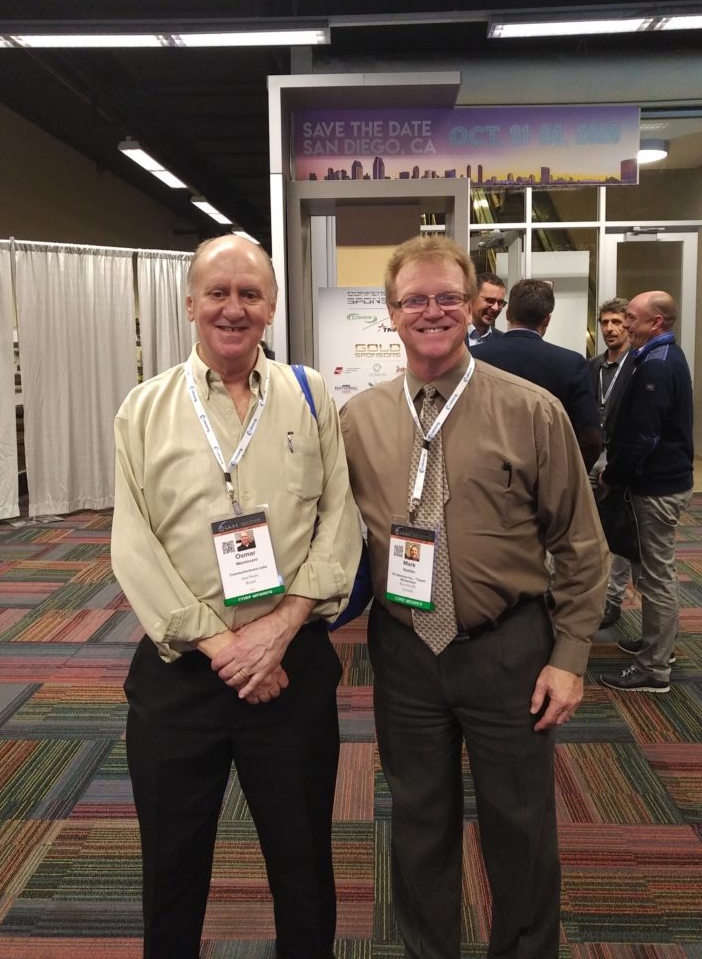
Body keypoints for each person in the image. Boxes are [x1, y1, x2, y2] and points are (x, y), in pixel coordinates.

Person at [340, 234, 607, 959]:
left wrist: (571, 657)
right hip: (405, 650)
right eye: (415, 299)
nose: (432, 311)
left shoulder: (532, 411)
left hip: (510, 650)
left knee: (519, 828)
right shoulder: (357, 421)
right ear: (391, 314)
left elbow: (582, 546)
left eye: (448, 297)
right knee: (418, 824)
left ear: (474, 308)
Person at [111, 234, 362, 959]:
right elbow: (133, 546)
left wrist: (278, 632)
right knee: (172, 868)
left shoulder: (310, 396)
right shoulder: (144, 409)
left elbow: (338, 524)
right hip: (182, 675)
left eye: (250, 294)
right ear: (189, 302)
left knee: (304, 865)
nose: (233, 308)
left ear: (273, 306)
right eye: (217, 292)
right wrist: (226, 646)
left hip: (291, 669)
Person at [599, 290, 693, 694]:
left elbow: (644, 435)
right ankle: (660, 645)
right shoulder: (662, 356)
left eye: (633, 318)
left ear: (656, 322)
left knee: (657, 575)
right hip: (663, 483)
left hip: (657, 488)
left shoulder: (657, 365)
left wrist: (614, 475)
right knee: (653, 570)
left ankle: (655, 669)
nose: (625, 324)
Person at [479, 278, 603, 471]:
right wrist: (567, 478)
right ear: (547, 319)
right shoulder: (571, 364)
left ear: (508, 314)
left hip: (487, 478)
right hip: (548, 478)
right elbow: (591, 438)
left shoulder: (475, 359)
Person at [588, 298, 635, 628]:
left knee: (618, 533)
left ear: (628, 325)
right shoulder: (592, 366)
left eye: (616, 322)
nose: (609, 328)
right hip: (591, 456)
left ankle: (613, 598)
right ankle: (585, 592)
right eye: (604, 322)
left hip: (621, 458)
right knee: (586, 528)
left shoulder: (638, 366)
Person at [466, 270, 506, 345]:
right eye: (490, 300)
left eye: (500, 303)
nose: (495, 308)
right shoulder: (453, 336)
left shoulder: (503, 341)